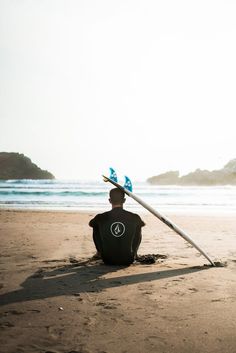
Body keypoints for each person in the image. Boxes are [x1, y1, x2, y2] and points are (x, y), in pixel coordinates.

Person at [89, 188, 145, 265]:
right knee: (138, 225)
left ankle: (99, 253)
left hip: (107, 259)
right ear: (124, 200)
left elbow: (90, 224)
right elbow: (143, 224)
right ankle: (134, 253)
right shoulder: (134, 217)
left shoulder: (101, 217)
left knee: (96, 225)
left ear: (110, 200)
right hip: (128, 259)